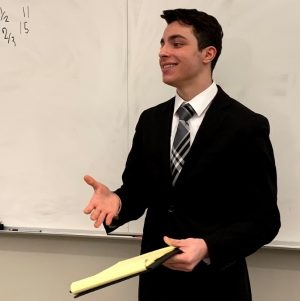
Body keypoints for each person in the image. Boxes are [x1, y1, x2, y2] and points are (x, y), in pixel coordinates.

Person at [83, 8, 281, 301]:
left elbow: (264, 220)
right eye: (162, 44)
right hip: (157, 285)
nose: (163, 52)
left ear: (208, 53)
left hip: (217, 286)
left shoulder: (246, 126)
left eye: (176, 43)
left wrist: (208, 248)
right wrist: (118, 200)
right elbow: (139, 191)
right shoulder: (151, 121)